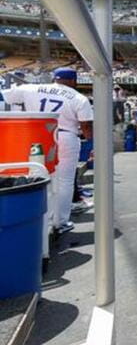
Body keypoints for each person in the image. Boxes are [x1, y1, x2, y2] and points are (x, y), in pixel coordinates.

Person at [0, 68, 93, 234]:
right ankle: (60, 221)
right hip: (65, 135)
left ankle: (43, 218)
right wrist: (92, 143)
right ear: (73, 81)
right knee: (64, 181)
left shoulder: (31, 88)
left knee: (41, 176)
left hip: (36, 135)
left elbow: (6, 95)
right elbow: (86, 125)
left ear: (55, 78)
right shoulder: (79, 97)